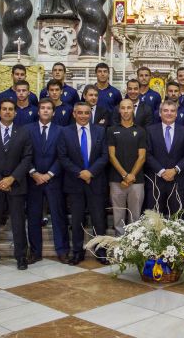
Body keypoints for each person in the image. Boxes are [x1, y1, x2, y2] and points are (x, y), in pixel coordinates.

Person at [0, 99, 33, 272]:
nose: (7, 112)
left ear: (15, 113)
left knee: (18, 223)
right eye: (4, 109)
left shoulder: (24, 132)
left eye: (11, 109)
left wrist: (11, 178)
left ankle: (21, 256)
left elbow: (27, 158)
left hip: (16, 185)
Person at [58, 102, 109, 265]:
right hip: (75, 183)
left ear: (90, 114)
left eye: (86, 113)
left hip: (96, 181)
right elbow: (63, 157)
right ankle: (77, 252)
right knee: (77, 220)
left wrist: (90, 172)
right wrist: (80, 173)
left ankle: (101, 251)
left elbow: (104, 156)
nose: (83, 116)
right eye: (80, 113)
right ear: (74, 114)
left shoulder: (100, 131)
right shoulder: (65, 132)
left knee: (99, 219)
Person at [27, 98, 69, 263]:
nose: (45, 111)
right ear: (38, 111)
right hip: (33, 180)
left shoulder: (61, 131)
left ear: (53, 112)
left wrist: (50, 174)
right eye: (42, 108)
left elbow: (62, 156)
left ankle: (62, 250)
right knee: (33, 216)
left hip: (54, 180)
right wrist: (33, 172)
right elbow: (24, 154)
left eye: (48, 108)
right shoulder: (28, 130)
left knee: (58, 216)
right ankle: (35, 252)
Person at [145, 100, 184, 216]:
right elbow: (147, 154)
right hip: (156, 181)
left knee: (178, 219)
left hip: (178, 181)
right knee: (154, 220)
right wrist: (162, 171)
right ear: (160, 113)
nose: (169, 113)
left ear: (176, 114)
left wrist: (175, 170)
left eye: (172, 111)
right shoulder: (150, 131)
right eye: (165, 110)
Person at [108, 99, 147, 236]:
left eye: (128, 108)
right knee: (118, 217)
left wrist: (131, 176)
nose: (125, 111)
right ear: (119, 110)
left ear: (133, 110)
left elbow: (142, 156)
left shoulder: (141, 131)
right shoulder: (112, 130)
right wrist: (125, 175)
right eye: (123, 108)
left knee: (135, 216)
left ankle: (133, 247)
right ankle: (119, 246)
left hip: (137, 181)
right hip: (116, 180)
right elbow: (112, 156)